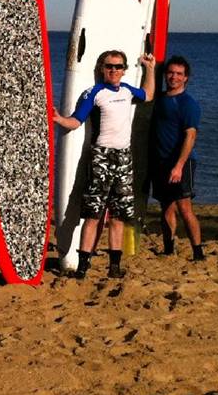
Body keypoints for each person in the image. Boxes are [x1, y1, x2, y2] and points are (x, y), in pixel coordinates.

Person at [52, 50, 155, 280]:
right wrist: (59, 119)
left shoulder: (128, 90)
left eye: (118, 67)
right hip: (101, 157)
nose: (114, 70)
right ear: (102, 68)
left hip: (124, 157)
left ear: (124, 69)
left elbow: (148, 95)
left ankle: (114, 266)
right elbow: (76, 120)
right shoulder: (94, 93)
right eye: (109, 66)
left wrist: (150, 68)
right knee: (93, 214)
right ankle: (82, 267)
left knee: (118, 216)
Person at [151, 55, 204, 261]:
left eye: (179, 74)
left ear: (186, 78)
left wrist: (179, 166)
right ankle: (168, 248)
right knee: (166, 206)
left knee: (184, 207)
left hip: (182, 162)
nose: (174, 77)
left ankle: (197, 252)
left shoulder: (188, 104)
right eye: (171, 73)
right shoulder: (160, 98)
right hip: (161, 162)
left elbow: (191, 136)